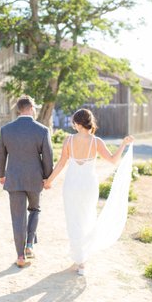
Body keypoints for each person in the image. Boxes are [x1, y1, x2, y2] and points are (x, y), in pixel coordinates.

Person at [44, 108, 134, 276]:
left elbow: (62, 164)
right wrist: (123, 144)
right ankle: (82, 262)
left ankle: (79, 259)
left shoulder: (68, 140)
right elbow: (114, 160)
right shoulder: (96, 141)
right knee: (87, 218)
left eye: (73, 122)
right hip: (89, 185)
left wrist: (49, 181)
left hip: (71, 185)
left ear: (77, 124)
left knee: (74, 220)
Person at [0, 95, 53, 268]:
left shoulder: (6, 130)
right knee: (35, 209)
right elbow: (48, 158)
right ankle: (29, 245)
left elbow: (1, 155)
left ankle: (20, 256)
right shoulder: (42, 130)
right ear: (31, 108)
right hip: (35, 179)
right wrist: (47, 178)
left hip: (14, 178)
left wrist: (1, 174)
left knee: (17, 217)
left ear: (19, 109)